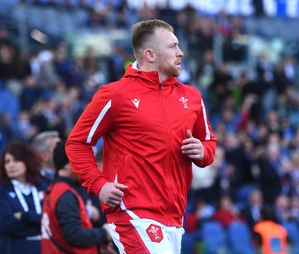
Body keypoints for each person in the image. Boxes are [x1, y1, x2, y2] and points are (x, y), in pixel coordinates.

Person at [65, 19, 217, 253]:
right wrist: (98, 184)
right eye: (173, 46)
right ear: (150, 55)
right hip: (132, 213)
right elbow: (77, 143)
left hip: (175, 216)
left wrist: (202, 150)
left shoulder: (192, 96)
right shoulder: (115, 95)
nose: (181, 52)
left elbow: (209, 144)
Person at [41, 141, 113, 254]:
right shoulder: (65, 193)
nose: (83, 167)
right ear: (66, 166)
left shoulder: (57, 189)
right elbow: (73, 235)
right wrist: (104, 233)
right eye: (78, 162)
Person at [0, 141, 48, 254]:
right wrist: (42, 227)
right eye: (7, 162)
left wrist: (24, 216)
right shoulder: (0, 191)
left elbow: (53, 218)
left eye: (16, 160)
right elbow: (6, 224)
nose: (11, 165)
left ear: (27, 161)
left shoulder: (43, 187)